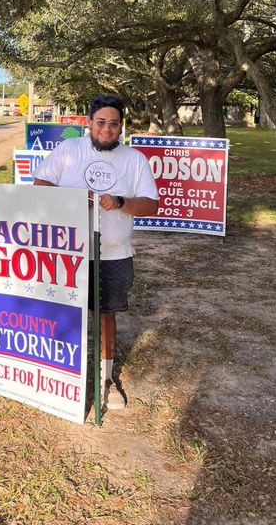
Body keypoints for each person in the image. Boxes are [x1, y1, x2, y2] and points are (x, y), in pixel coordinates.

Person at [33, 95, 158, 411]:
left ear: (121, 127)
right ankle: (59, 376)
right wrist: (73, 199)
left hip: (112, 253)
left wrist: (120, 202)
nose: (107, 129)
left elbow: (150, 204)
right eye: (101, 122)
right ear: (89, 123)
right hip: (65, 251)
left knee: (105, 315)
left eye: (114, 124)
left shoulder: (134, 160)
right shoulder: (69, 150)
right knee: (61, 313)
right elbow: (40, 184)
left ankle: (106, 379)